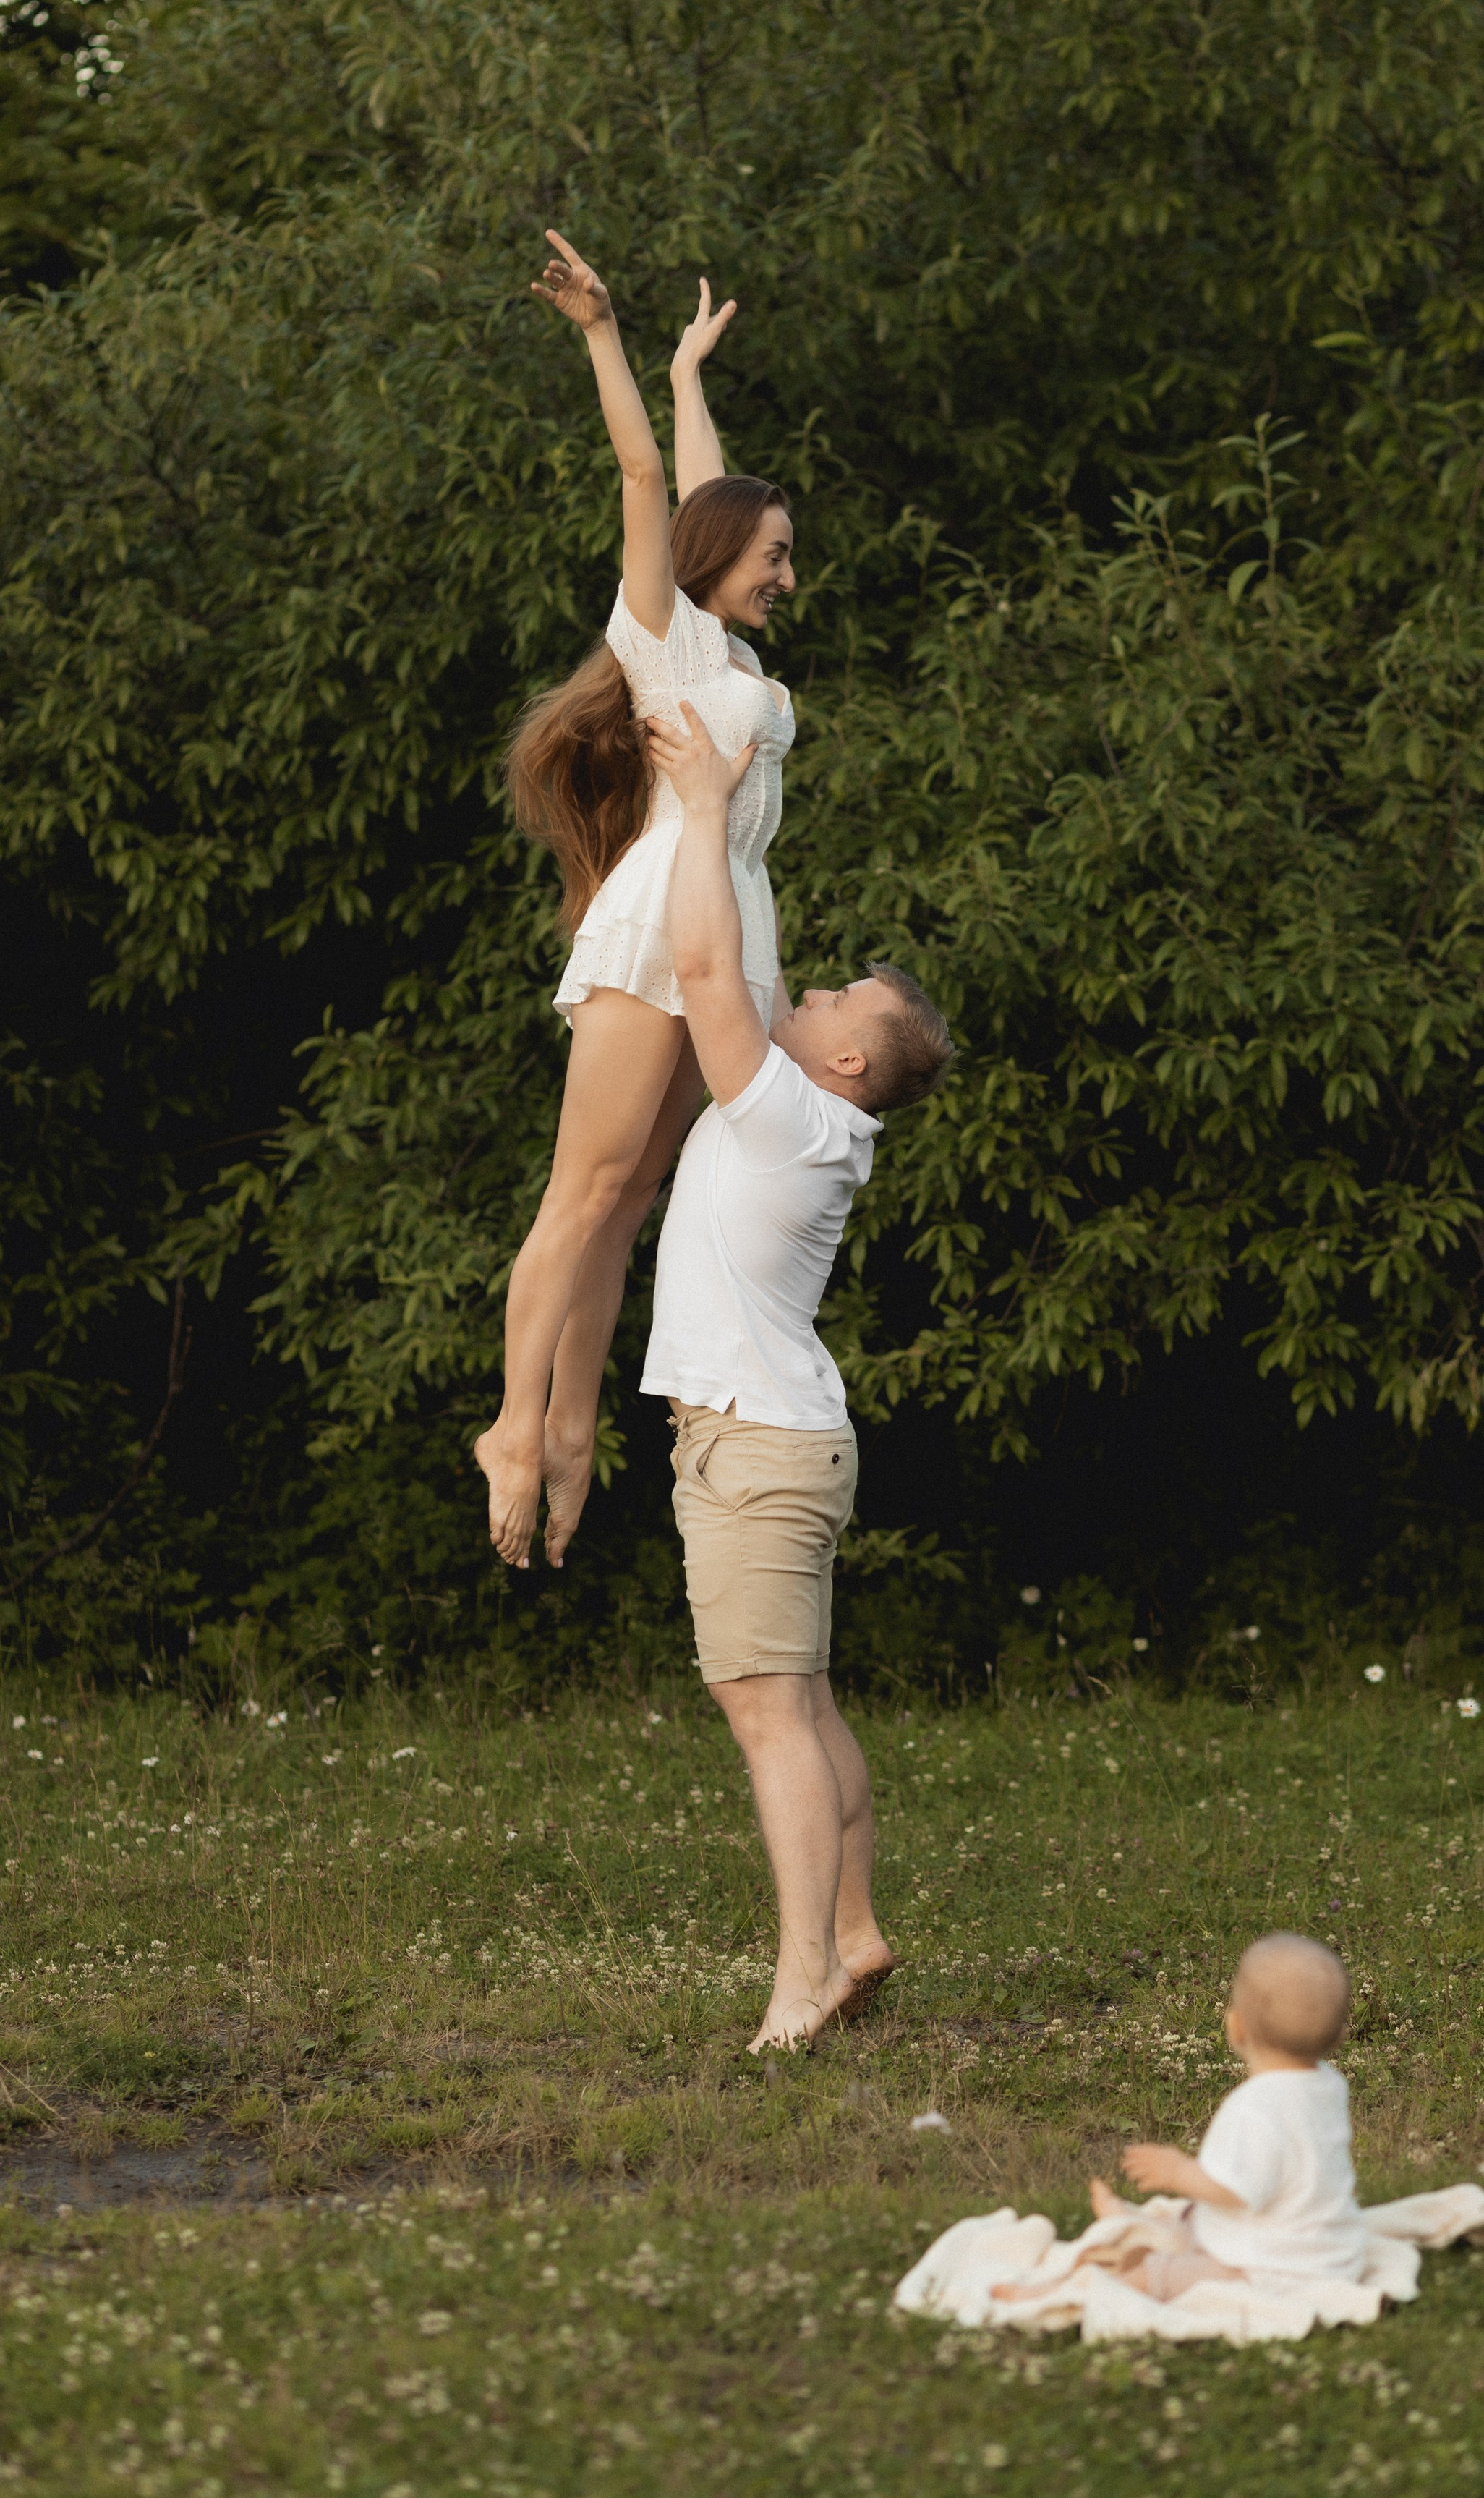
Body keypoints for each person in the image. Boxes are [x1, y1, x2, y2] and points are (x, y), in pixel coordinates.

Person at [475, 233, 798, 1572]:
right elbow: (657, 482)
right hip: (663, 918)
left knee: (634, 1199)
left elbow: (706, 473)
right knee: (583, 1190)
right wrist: (606, 338)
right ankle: (513, 1422)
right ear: (720, 563)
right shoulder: (666, 634)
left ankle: (576, 1422)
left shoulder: (720, 645)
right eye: (776, 554)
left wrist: (685, 368)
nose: (789, 571)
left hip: (734, 935)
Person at [641, 694, 954, 2052]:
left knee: (767, 1716)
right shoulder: (817, 1114)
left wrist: (705, 810)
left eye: (836, 1001)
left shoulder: (782, 1115)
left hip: (756, 1452)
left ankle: (804, 1978)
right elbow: (752, 964)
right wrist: (737, 805)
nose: (813, 991)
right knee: (804, 1701)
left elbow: (717, 985)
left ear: (843, 1059)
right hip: (786, 1442)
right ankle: (859, 1928)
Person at [1002, 1931, 1365, 2303]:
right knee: (1188, 2222)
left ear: (1236, 2027)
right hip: (1330, 2253)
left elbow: (1240, 2191)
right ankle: (1130, 2226)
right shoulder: (1329, 2083)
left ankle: (1055, 2293)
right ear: (1339, 2036)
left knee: (1155, 2276)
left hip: (1270, 2269)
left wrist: (1179, 2172)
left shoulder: (1258, 2108)